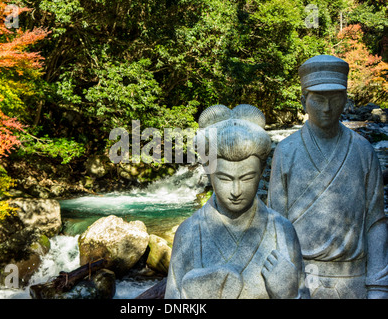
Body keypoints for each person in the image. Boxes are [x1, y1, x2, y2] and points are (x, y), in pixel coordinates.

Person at [268, 55, 388, 299]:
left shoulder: (363, 150)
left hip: (353, 279)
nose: (327, 108)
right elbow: (276, 223)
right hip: (302, 278)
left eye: (335, 99)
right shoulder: (286, 151)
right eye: (318, 99)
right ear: (304, 101)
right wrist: (284, 280)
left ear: (345, 100)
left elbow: (375, 222)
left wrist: (378, 285)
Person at [165, 104, 310, 299]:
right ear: (209, 173)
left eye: (247, 178)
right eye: (224, 179)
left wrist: (290, 294)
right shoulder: (189, 232)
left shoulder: (282, 230)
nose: (236, 191)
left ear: (261, 172)